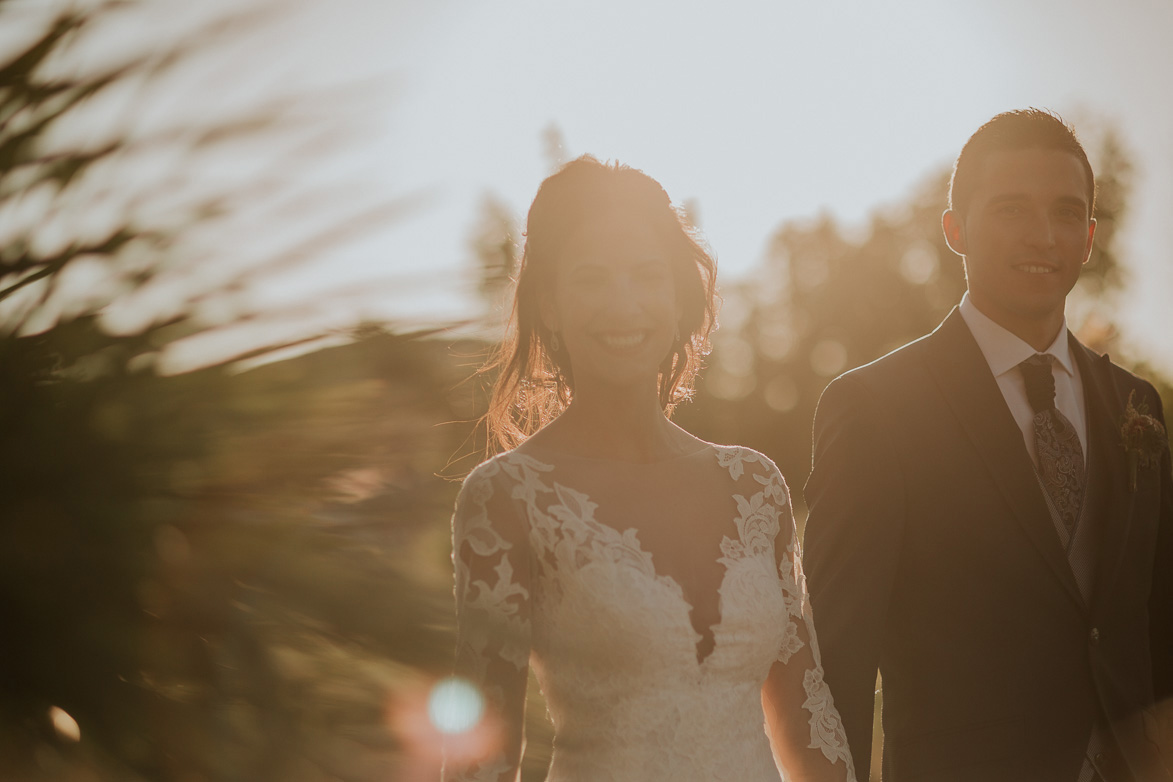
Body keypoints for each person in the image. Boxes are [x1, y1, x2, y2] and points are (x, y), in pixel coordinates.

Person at [443, 156, 856, 782]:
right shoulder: (508, 497)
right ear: (549, 304)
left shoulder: (755, 486)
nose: (624, 304)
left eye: (646, 276)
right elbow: (483, 757)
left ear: (677, 299)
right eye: (592, 279)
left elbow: (807, 716)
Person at [803, 108, 1173, 782]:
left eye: (1066, 214)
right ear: (954, 230)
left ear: (1089, 237)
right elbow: (837, 657)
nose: (1043, 235)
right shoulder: (874, 408)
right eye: (1010, 209)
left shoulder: (1133, 405)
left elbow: (1155, 618)